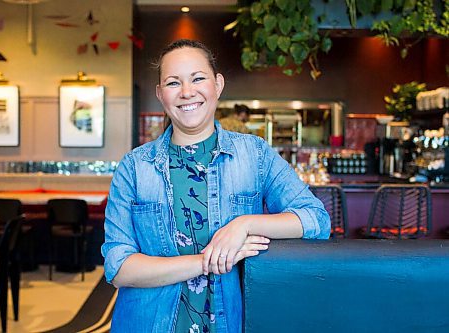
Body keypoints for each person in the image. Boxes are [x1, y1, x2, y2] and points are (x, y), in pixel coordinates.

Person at [102, 39, 330, 333]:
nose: (187, 92)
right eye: (173, 83)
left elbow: (316, 219)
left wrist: (245, 225)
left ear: (217, 84)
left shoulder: (254, 154)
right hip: (148, 323)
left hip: (230, 322)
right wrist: (206, 262)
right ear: (160, 94)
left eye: (198, 78)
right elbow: (119, 267)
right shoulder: (133, 168)